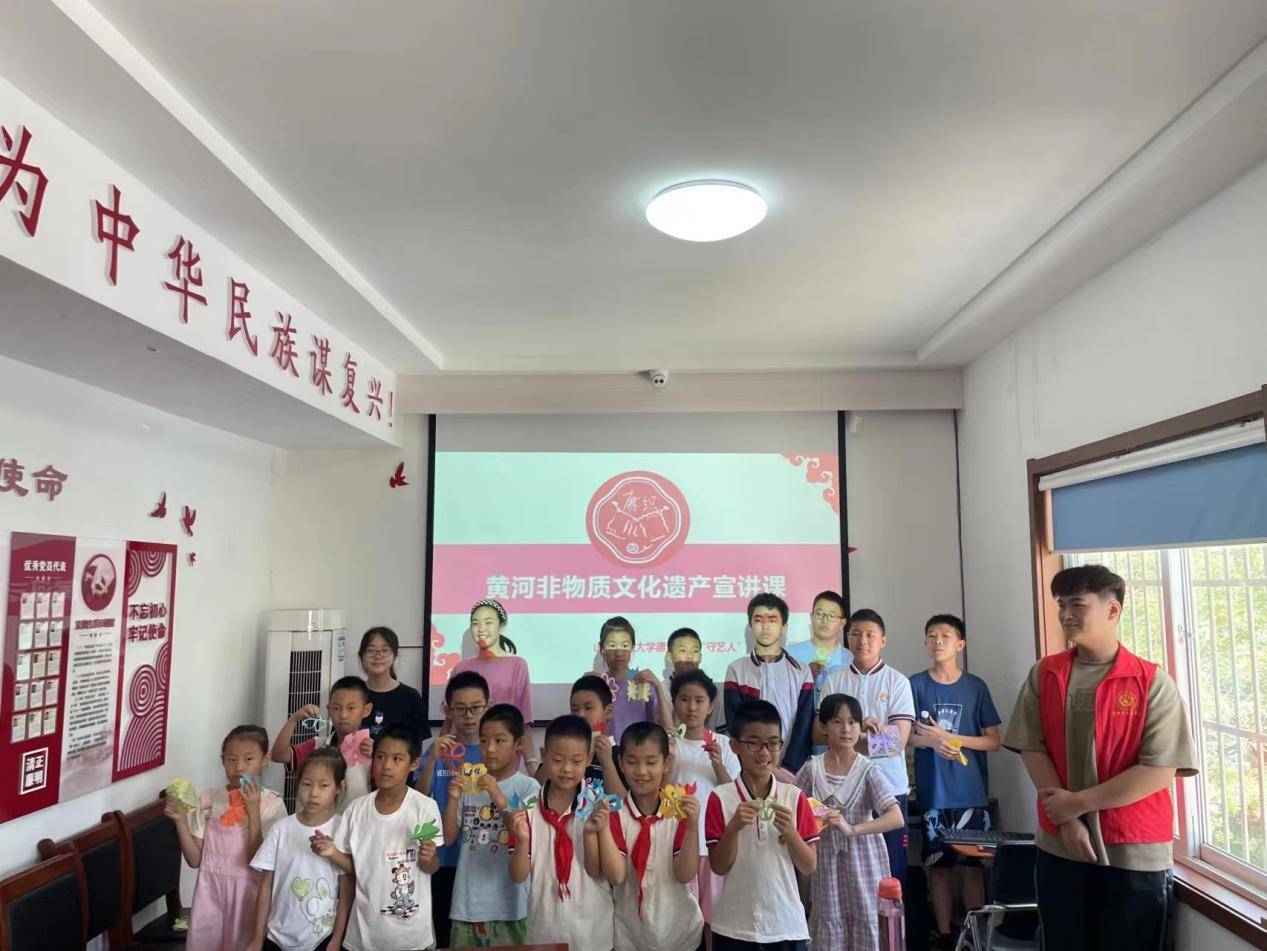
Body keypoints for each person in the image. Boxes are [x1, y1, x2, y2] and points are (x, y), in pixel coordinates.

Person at [1004, 565, 1198, 951]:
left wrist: (1077, 804)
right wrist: (1069, 821)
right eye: (1061, 605)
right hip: (1060, 844)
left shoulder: (1150, 682)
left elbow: (1158, 770)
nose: (1065, 615)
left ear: (1112, 610)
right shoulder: (1046, 673)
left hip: (1133, 849)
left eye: (1077, 605)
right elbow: (1031, 746)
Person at [908, 614, 1002, 948]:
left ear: (960, 644)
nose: (938, 641)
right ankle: (946, 937)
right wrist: (933, 742)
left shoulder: (976, 687)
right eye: (932, 635)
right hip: (934, 794)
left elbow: (994, 740)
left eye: (945, 636)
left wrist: (953, 739)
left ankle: (976, 939)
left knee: (973, 869)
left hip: (972, 795)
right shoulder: (915, 685)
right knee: (939, 869)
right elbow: (905, 737)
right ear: (925, 642)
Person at [705, 699, 819, 951]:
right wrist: (733, 828)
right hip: (733, 925)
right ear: (734, 746)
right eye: (753, 743)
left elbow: (809, 865)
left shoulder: (794, 796)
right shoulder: (720, 797)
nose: (764, 752)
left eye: (773, 743)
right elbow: (719, 866)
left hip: (786, 925)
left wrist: (791, 834)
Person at [794, 693, 904, 951]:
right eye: (837, 721)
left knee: (867, 918)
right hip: (826, 862)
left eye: (853, 722)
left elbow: (895, 816)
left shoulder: (868, 769)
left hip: (864, 859)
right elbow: (792, 805)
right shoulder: (812, 769)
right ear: (823, 727)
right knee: (829, 919)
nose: (846, 729)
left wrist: (852, 829)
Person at [319, 724, 442, 951]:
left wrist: (429, 858)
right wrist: (331, 852)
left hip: (411, 937)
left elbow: (432, 867)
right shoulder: (356, 810)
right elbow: (353, 869)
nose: (386, 766)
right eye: (380, 757)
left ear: (414, 764)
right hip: (364, 935)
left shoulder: (425, 807)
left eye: (397, 759)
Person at [167, 724, 287, 951]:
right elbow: (194, 860)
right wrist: (180, 821)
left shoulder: (272, 805)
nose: (239, 767)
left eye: (249, 759)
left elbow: (260, 862)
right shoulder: (208, 801)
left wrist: (253, 811)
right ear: (223, 761)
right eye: (231, 759)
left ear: (265, 760)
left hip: (248, 899)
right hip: (209, 897)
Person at [820, 608, 915, 883]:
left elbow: (897, 742)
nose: (862, 640)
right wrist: (862, 731)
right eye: (856, 634)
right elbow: (820, 733)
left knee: (890, 874)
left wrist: (848, 737)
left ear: (882, 640)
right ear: (847, 638)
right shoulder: (834, 680)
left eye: (870, 635)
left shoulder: (897, 682)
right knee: (847, 874)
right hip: (841, 789)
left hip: (889, 788)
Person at [591, 721, 704, 951]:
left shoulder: (679, 813)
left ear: (666, 763)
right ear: (621, 763)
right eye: (632, 762)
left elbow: (685, 874)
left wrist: (692, 827)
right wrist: (602, 829)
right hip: (630, 937)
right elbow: (616, 876)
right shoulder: (615, 815)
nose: (641, 771)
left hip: (681, 935)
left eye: (651, 762)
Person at [508, 714, 615, 951]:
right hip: (544, 929)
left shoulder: (598, 806)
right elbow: (517, 876)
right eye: (557, 760)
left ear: (589, 759)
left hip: (593, 931)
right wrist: (523, 842)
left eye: (576, 761)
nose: (567, 769)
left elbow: (603, 871)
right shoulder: (527, 807)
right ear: (544, 755)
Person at [445, 704, 540, 948]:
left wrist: (498, 795)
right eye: (484, 740)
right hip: (467, 905)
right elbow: (448, 838)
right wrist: (453, 799)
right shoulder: (470, 784)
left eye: (499, 740)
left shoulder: (529, 787)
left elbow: (522, 835)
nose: (490, 749)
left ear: (518, 743)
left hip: (511, 908)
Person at [249, 749, 350, 951]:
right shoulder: (281, 828)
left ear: (340, 787)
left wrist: (336, 939)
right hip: (276, 936)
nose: (313, 793)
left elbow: (347, 890)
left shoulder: (342, 830)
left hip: (322, 938)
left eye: (323, 786)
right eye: (306, 784)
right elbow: (265, 886)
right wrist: (257, 938)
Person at [416, 669, 489, 948]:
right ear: (448, 711)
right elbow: (418, 795)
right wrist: (433, 758)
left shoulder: (494, 751)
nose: (469, 716)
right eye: (460, 708)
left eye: (476, 707)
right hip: (443, 858)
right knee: (445, 936)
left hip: (481, 859)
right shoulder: (438, 750)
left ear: (488, 706)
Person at [669, 668, 739, 936]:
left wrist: (718, 764)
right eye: (684, 699)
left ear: (710, 706)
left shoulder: (724, 744)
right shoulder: (668, 743)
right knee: (682, 919)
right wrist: (669, 758)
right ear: (674, 703)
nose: (691, 707)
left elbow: (732, 794)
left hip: (713, 845)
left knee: (714, 919)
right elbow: (659, 791)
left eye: (699, 701)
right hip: (678, 844)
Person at [721, 593, 815, 772]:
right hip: (750, 767)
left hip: (791, 771)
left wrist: (788, 768)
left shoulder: (801, 671)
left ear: (784, 627)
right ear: (750, 626)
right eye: (758, 620)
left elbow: (804, 725)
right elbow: (735, 724)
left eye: (772, 620)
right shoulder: (736, 670)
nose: (765, 626)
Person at [449, 599, 540, 771]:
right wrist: (438, 757)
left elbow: (523, 721)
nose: (481, 629)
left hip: (502, 754)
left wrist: (531, 765)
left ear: (501, 625)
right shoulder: (461, 667)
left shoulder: (517, 665)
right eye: (475, 623)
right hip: (464, 755)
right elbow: (450, 719)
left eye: (488, 622)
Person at [271, 675, 374, 812]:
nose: (343, 715)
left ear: (366, 710)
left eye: (351, 708)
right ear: (328, 710)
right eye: (336, 708)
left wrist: (378, 756)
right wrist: (293, 720)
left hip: (354, 823)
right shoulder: (317, 746)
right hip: (313, 823)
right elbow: (278, 755)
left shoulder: (373, 750)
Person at [597, 616, 673, 741]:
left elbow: (668, 729)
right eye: (612, 645)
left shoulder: (643, 683)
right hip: (606, 751)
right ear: (602, 648)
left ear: (632, 647)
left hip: (639, 751)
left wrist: (658, 686)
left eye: (625, 645)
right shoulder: (598, 684)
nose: (619, 653)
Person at [356, 626, 430, 746]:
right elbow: (339, 739)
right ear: (362, 656)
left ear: (394, 656)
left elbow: (416, 748)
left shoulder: (410, 697)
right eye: (371, 650)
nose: (378, 656)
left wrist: (377, 752)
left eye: (385, 650)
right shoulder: (353, 694)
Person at [570, 674, 629, 797]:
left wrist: (607, 762)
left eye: (588, 708)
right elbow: (537, 790)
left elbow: (624, 803)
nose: (580, 715)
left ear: (608, 712)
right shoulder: (565, 750)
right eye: (575, 709)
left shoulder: (622, 755)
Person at [665, 627, 725, 732]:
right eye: (683, 650)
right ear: (670, 656)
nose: (689, 656)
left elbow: (721, 732)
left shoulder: (716, 691)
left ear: (700, 657)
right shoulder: (660, 690)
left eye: (695, 651)